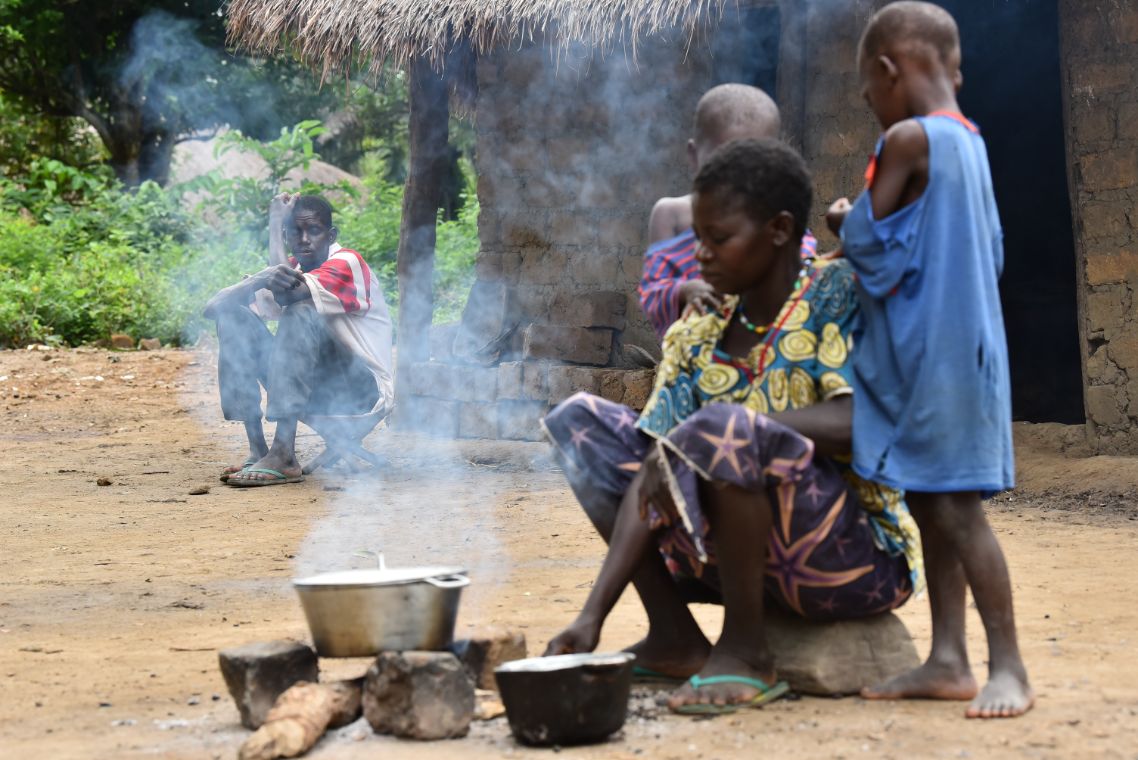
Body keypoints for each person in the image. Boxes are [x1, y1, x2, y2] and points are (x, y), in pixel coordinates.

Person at [543, 139, 922, 714]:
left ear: (779, 229)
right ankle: (674, 637)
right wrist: (590, 617)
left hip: (851, 560)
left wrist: (721, 428)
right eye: (697, 237)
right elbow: (653, 466)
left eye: (719, 239)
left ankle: (747, 652)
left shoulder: (838, 294)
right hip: (720, 558)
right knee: (580, 421)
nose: (701, 256)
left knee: (723, 428)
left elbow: (860, 421)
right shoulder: (698, 330)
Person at [836, 2, 1032, 718]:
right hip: (965, 350)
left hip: (933, 358)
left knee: (956, 512)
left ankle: (1008, 667)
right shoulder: (970, 144)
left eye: (868, 92)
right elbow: (991, 249)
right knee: (931, 501)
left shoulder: (909, 139)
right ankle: (948, 659)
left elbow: (868, 244)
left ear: (888, 70)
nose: (872, 105)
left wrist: (841, 219)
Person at [203, 193, 394, 487]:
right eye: (295, 231)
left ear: (331, 235)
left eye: (314, 230)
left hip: (359, 393)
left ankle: (284, 454)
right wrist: (259, 277)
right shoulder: (294, 267)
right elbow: (213, 309)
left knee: (301, 309)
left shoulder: (347, 262)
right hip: (313, 388)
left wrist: (274, 227)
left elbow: (287, 294)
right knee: (233, 316)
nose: (304, 239)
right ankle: (258, 449)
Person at [638, 84, 818, 340]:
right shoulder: (672, 214)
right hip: (692, 347)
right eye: (722, 158)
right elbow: (652, 291)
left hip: (763, 347)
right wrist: (684, 291)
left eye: (752, 164)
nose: (736, 177)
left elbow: (803, 270)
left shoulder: (778, 218)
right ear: (693, 155)